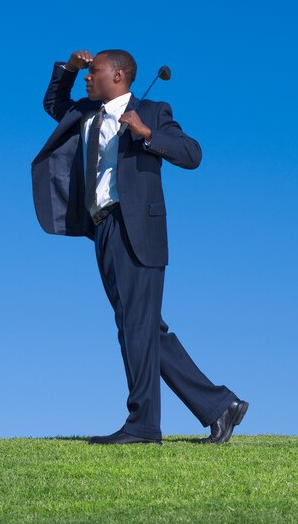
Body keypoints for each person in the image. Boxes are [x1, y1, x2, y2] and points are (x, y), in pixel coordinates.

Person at [31, 49, 248, 444]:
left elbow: (192, 153)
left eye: (92, 72)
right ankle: (220, 406)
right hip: (103, 229)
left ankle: (144, 426)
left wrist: (147, 134)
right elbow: (53, 104)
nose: (87, 78)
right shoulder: (85, 113)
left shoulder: (152, 109)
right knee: (142, 328)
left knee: (137, 327)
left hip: (137, 229)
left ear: (117, 75)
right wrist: (68, 68)